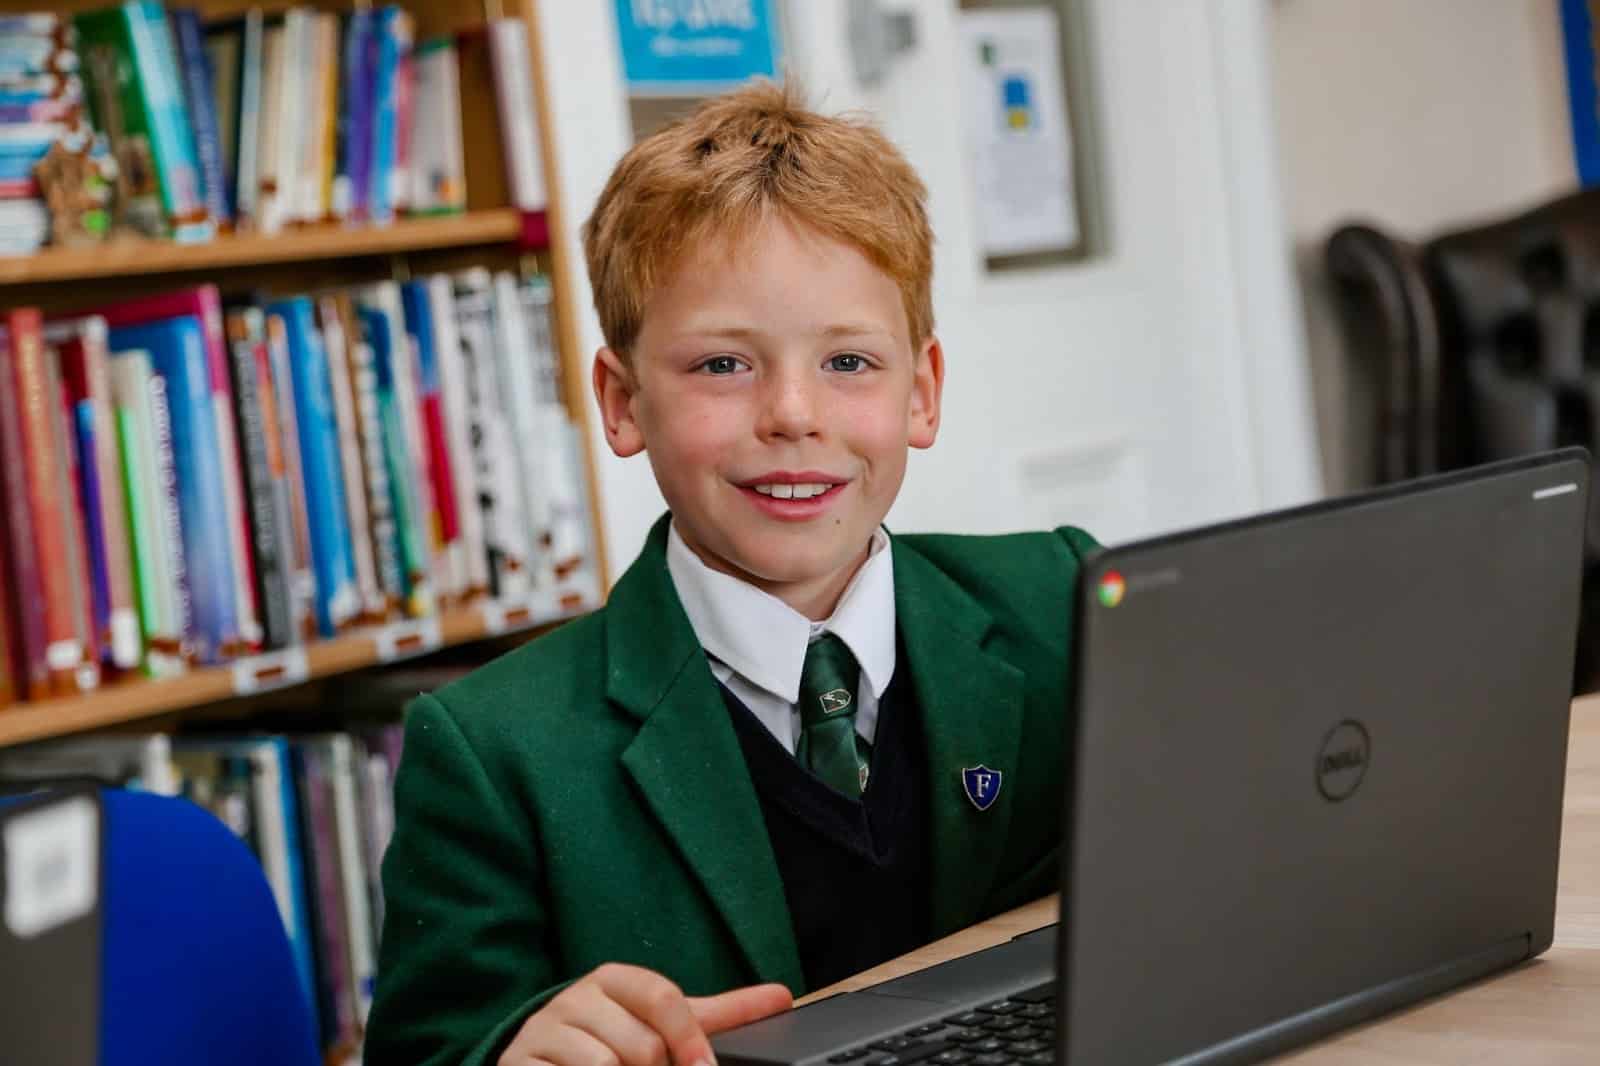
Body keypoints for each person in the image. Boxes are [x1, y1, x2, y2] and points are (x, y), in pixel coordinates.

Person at [365, 81, 1097, 1066]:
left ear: (921, 393)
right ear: (622, 405)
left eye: (847, 362)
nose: (792, 414)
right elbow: (432, 1046)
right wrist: (510, 1051)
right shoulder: (495, 754)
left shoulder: (1065, 605)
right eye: (722, 366)